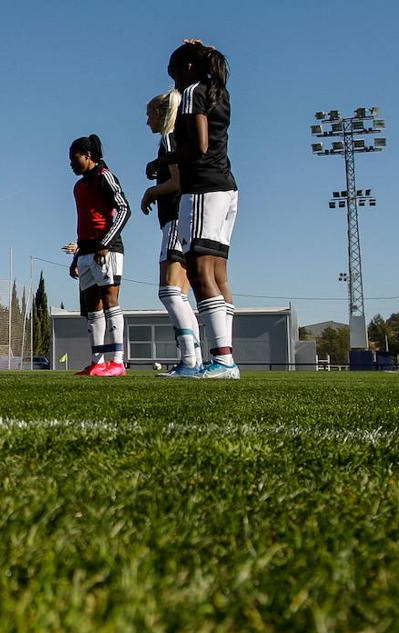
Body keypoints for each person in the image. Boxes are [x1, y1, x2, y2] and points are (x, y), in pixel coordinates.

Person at [154, 40, 238, 379]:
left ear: (187, 68)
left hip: (203, 188)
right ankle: (225, 358)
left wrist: (162, 160)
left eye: (173, 72)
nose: (173, 82)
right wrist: (202, 49)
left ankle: (222, 360)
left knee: (201, 274)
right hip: (227, 188)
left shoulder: (192, 91)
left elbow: (198, 147)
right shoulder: (220, 90)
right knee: (218, 275)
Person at [141, 90, 202, 377]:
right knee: (181, 295)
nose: (146, 121)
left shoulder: (169, 138)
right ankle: (195, 358)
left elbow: (177, 182)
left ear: (161, 113)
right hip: (188, 219)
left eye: (149, 114)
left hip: (176, 218)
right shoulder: (180, 139)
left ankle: (189, 360)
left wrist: (151, 192)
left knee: (169, 291)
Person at [64, 134, 130, 377]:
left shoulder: (106, 177)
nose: (71, 164)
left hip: (108, 251)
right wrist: (76, 257)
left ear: (87, 156)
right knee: (93, 307)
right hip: (86, 252)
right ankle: (98, 361)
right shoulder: (79, 186)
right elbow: (83, 224)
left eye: (74, 159)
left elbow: (124, 209)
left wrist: (105, 242)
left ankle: (118, 362)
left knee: (110, 301)